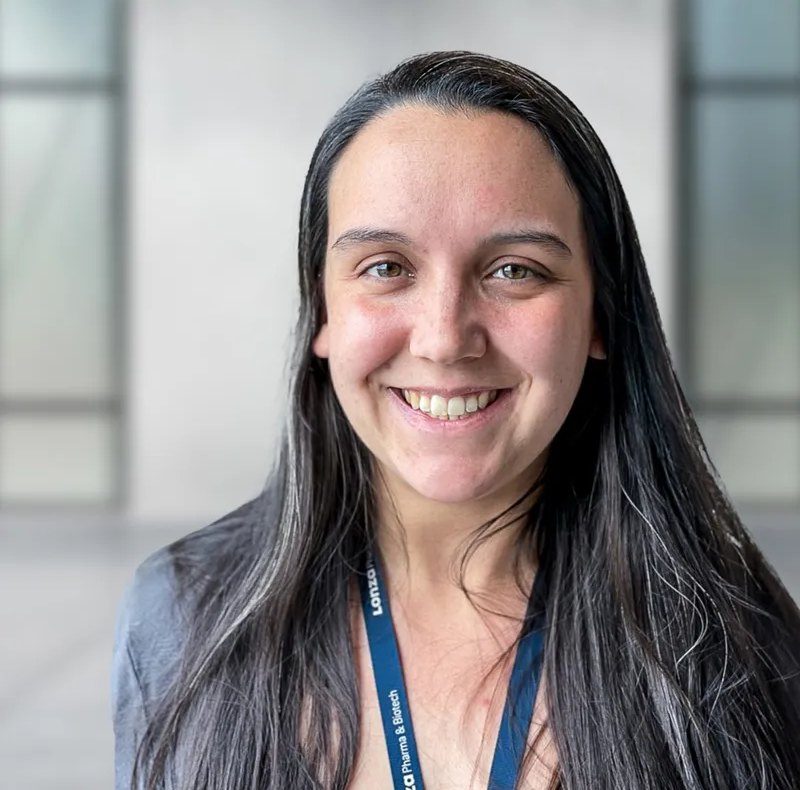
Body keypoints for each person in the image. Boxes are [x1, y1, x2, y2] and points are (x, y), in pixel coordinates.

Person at [112, 51, 800, 790]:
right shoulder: (181, 620)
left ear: (600, 315)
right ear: (321, 312)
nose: (444, 338)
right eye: (385, 267)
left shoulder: (741, 652)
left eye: (514, 270)